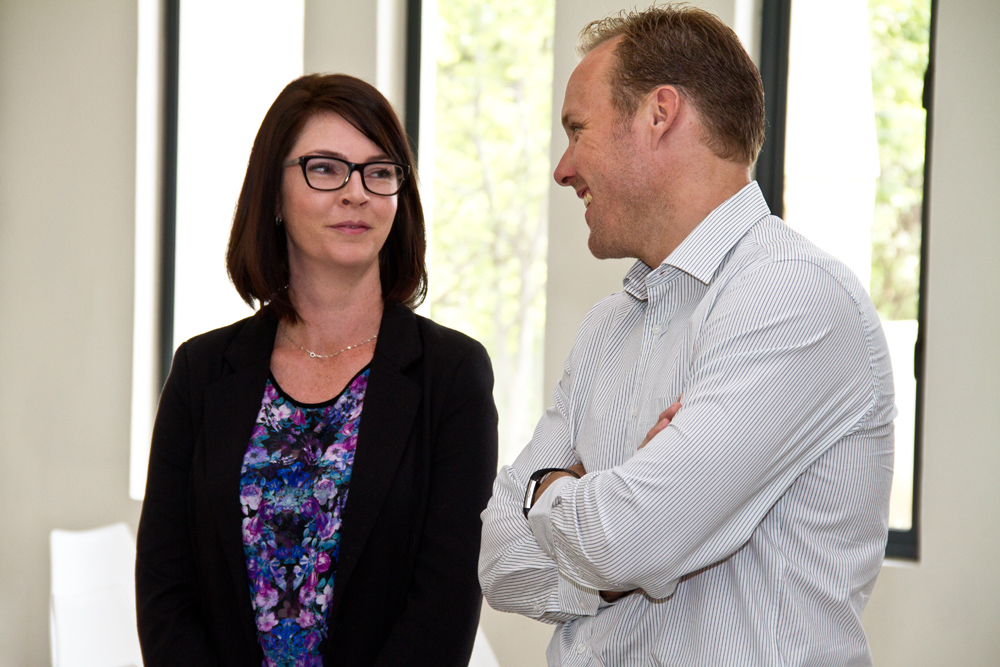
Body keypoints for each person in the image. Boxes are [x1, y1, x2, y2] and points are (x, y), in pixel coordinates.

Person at [479, 5, 895, 665]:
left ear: (659, 114)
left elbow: (630, 538)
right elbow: (498, 558)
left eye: (577, 130)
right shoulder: (608, 325)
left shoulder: (793, 294)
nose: (562, 168)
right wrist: (608, 547)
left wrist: (545, 490)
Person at [136, 73, 498, 667]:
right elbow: (165, 592)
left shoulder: (452, 375)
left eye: (379, 172)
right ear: (274, 197)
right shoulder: (201, 372)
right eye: (325, 169)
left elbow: (445, 605)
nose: (356, 192)